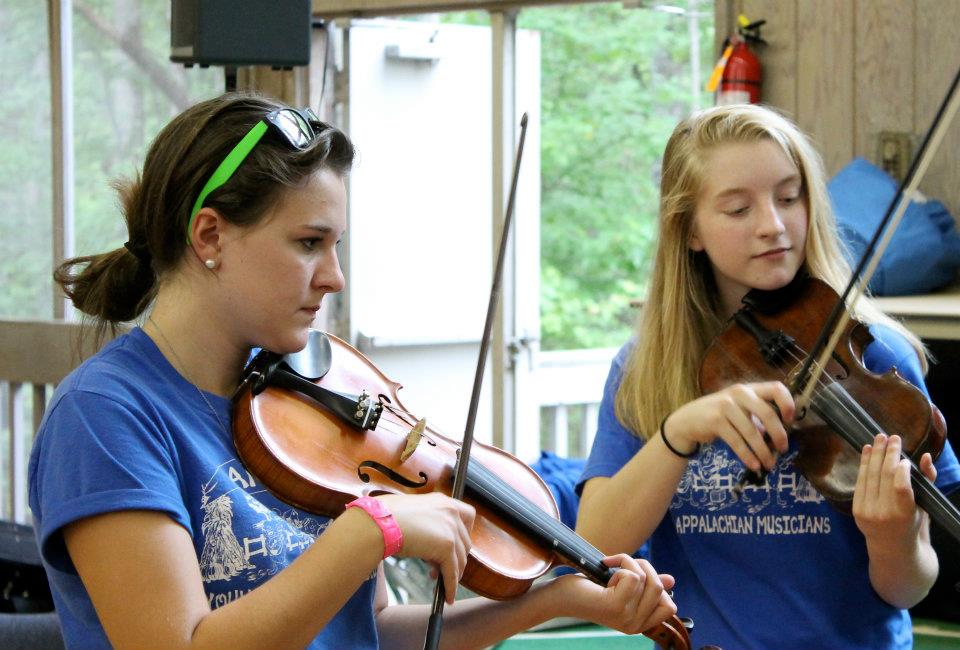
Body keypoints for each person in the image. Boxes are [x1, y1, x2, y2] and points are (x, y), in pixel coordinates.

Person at [27, 93, 678, 650]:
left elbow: (366, 632)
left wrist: (551, 603)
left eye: (335, 246)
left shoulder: (303, 404)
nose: (333, 277)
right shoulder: (106, 417)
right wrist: (372, 532)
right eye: (309, 244)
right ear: (209, 237)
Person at [575, 103, 960, 650]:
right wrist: (679, 431)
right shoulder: (645, 369)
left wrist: (892, 539)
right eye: (737, 209)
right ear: (690, 231)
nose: (773, 226)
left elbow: (910, 588)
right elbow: (596, 543)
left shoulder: (876, 355)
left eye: (789, 197)